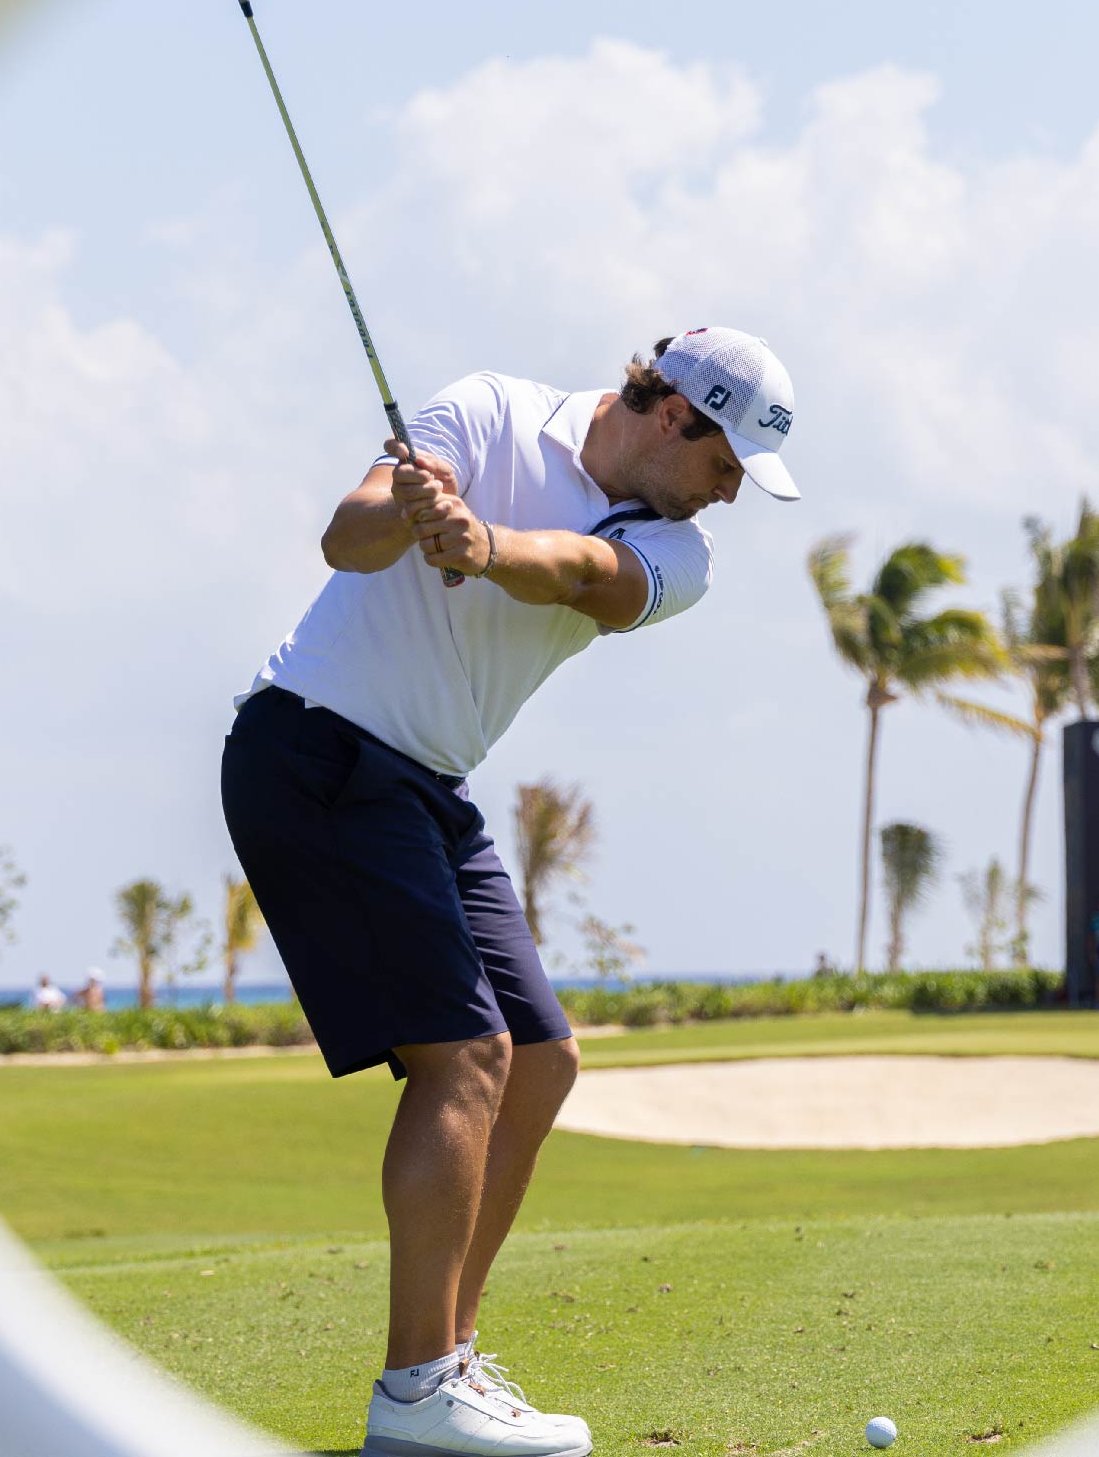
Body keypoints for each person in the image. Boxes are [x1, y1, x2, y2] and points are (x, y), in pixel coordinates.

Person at [222, 329, 800, 1457]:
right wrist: (410, 510)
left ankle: (450, 1361)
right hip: (318, 748)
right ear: (678, 413)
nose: (727, 496)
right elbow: (348, 537)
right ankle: (419, 1389)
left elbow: (585, 575)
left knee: (541, 1055)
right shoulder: (487, 410)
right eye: (727, 464)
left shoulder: (680, 552)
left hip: (427, 780)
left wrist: (480, 541)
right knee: (468, 1055)